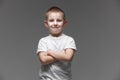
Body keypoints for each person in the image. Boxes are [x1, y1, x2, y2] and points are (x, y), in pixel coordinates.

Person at [36, 6, 77, 80]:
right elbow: (43, 60)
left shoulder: (69, 40)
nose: (55, 23)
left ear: (64, 23)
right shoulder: (43, 41)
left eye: (59, 20)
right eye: (51, 20)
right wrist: (62, 54)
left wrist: (50, 52)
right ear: (46, 24)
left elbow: (68, 57)